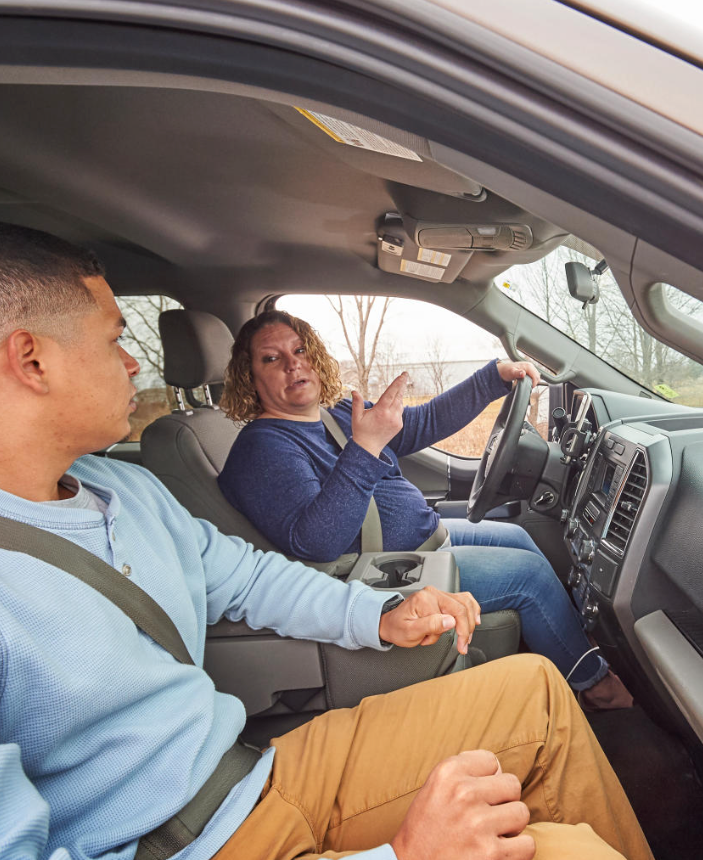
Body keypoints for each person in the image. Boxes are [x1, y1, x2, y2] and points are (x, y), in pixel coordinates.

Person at [0, 222, 652, 860]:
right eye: (115, 338)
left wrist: (379, 615)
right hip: (179, 843)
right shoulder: (262, 445)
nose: (133, 360)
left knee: (535, 691)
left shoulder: (122, 488)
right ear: (32, 360)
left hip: (247, 777)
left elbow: (252, 578)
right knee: (569, 851)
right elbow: (316, 541)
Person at [218, 311, 631, 709]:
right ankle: (594, 685)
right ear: (250, 379)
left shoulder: (336, 414)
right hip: (382, 571)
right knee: (530, 577)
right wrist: (364, 448)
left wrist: (493, 379)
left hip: (426, 538)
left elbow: (421, 422)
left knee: (522, 535)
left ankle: (569, 641)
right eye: (272, 359)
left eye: (301, 350)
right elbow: (318, 543)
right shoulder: (264, 447)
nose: (294, 364)